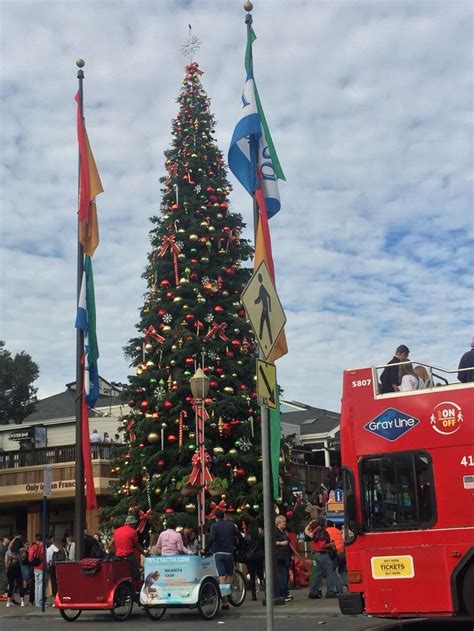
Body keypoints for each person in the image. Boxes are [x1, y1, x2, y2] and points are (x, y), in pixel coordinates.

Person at [203, 509, 243, 610]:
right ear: (224, 516)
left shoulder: (214, 526)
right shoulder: (231, 525)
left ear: (215, 517)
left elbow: (211, 538)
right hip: (229, 554)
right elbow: (239, 536)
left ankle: (225, 602)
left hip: (218, 554)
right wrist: (238, 547)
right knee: (230, 575)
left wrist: (205, 549)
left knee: (221, 577)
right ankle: (228, 594)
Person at [305, 516, 339, 599]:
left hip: (316, 554)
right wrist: (331, 544)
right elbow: (322, 545)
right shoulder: (322, 532)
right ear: (323, 523)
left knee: (318, 574)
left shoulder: (315, 531)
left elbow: (309, 534)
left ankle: (313, 592)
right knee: (330, 572)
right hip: (323, 554)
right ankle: (330, 591)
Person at [111, 515, 144, 582]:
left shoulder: (117, 531)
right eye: (134, 524)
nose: (135, 525)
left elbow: (111, 544)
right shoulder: (132, 531)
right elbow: (137, 545)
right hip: (128, 556)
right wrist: (144, 553)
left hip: (118, 557)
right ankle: (137, 586)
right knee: (136, 574)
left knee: (118, 574)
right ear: (132, 524)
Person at [242, 520, 265, 601]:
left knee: (252, 576)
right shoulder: (260, 536)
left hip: (249, 558)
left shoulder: (246, 537)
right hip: (259, 557)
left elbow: (243, 548)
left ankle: (253, 595)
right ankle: (266, 592)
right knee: (261, 575)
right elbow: (263, 546)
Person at [275, 515, 294, 602]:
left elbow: (288, 544)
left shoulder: (284, 532)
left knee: (285, 575)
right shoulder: (275, 532)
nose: (285, 523)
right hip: (279, 556)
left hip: (285, 556)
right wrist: (280, 543)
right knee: (281, 576)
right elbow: (271, 542)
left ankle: (285, 593)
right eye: (284, 522)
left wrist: (291, 554)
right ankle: (282, 594)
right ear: (278, 523)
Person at [326, 520, 346, 591]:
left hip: (335, 553)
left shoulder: (326, 531)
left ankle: (338, 587)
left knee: (331, 570)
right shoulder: (337, 530)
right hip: (343, 552)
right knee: (342, 569)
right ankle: (347, 585)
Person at [28, 533, 46, 608]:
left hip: (35, 567)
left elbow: (30, 557)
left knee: (36, 585)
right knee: (41, 585)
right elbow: (43, 556)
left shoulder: (33, 546)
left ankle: (36, 601)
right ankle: (40, 602)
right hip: (41, 567)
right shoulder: (43, 546)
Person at [47, 538, 67, 603]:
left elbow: (48, 559)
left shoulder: (49, 549)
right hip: (61, 567)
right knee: (60, 582)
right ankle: (60, 596)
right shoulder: (62, 549)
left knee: (53, 582)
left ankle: (55, 597)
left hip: (52, 567)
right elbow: (65, 558)